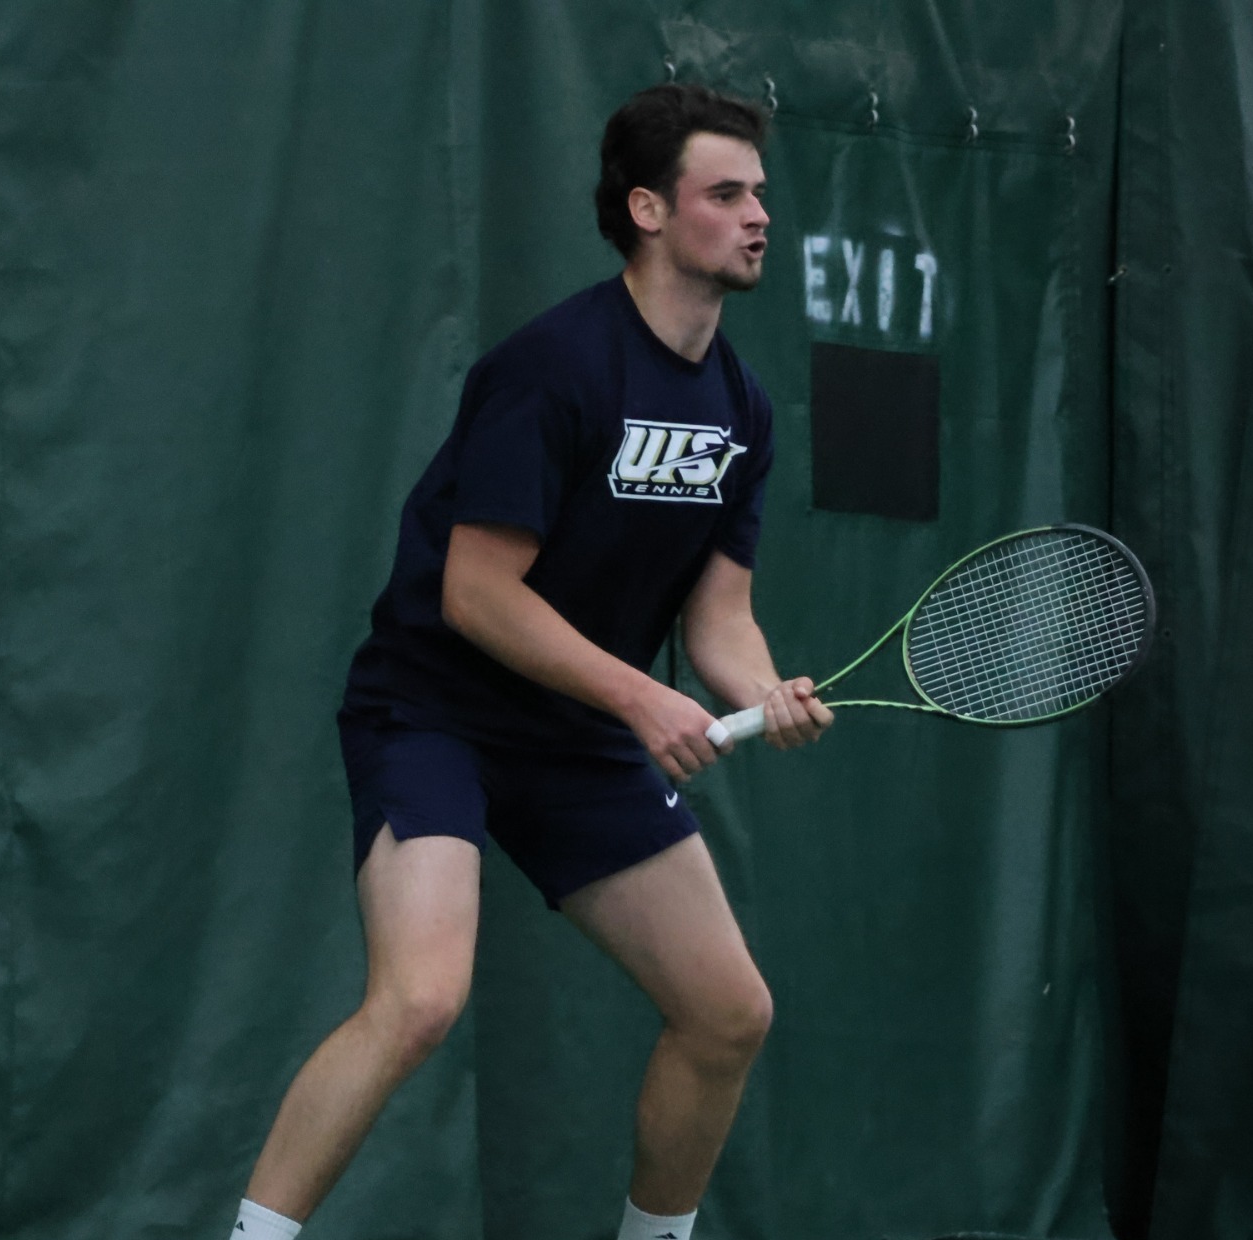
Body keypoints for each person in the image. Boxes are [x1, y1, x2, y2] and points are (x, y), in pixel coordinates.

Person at [227, 82, 833, 1240]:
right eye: (726, 193)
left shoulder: (743, 410)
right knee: (418, 998)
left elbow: (718, 621)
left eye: (759, 193)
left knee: (726, 1011)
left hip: (577, 740)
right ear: (648, 209)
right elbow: (474, 593)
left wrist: (762, 692)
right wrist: (640, 694)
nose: (759, 216)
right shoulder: (551, 367)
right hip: (435, 713)